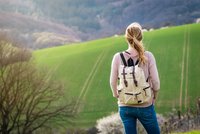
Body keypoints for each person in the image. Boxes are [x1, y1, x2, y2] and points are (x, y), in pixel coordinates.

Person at [110, 22, 160, 134]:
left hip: (125, 105)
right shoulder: (148, 56)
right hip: (145, 104)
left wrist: (116, 95)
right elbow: (156, 82)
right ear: (141, 37)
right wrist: (154, 96)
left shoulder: (117, 57)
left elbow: (112, 82)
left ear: (126, 39)